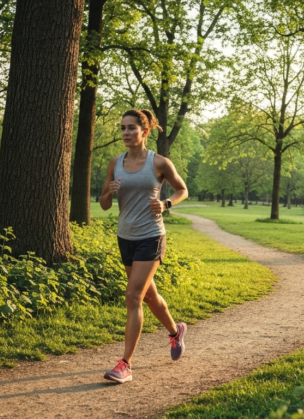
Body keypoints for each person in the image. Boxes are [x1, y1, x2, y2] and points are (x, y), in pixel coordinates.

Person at [99, 109, 189, 384]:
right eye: (123, 128)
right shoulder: (115, 162)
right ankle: (176, 332)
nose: (125, 133)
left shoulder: (159, 163)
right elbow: (103, 204)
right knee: (149, 296)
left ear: (144, 132)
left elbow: (182, 189)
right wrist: (109, 192)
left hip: (151, 236)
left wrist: (166, 204)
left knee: (133, 296)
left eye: (131, 128)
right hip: (125, 237)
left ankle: (124, 364)